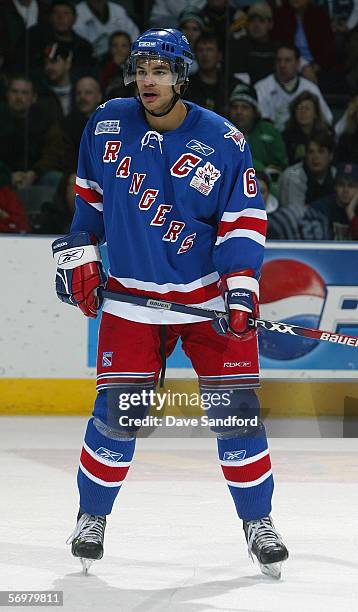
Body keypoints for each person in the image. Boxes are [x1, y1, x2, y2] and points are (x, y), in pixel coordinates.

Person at [52, 28, 289, 578]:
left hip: (204, 298)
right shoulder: (107, 123)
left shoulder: (225, 142)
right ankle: (92, 516)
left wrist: (240, 289)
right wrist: (80, 253)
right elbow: (89, 203)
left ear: (181, 76)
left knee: (236, 416)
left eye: (160, 71)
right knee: (115, 418)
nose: (147, 80)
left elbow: (243, 225)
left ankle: (259, 521)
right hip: (132, 302)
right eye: (141, 69)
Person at [255, 44, 333, 131]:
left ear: (298, 63)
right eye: (279, 60)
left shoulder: (310, 87)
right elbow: (262, 122)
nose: (282, 65)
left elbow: (327, 119)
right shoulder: (262, 87)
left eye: (287, 60)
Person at [228, 82, 287, 179]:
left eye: (245, 107)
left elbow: (282, 165)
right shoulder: (222, 131)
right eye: (234, 107)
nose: (239, 112)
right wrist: (260, 167)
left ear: (255, 111)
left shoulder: (269, 130)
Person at [278, 129, 336, 210]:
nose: (315, 157)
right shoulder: (292, 176)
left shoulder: (336, 175)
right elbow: (294, 215)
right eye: (311, 152)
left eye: (321, 151)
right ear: (305, 155)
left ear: (330, 156)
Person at [228, 2, 278, 84]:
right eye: (252, 21)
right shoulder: (237, 46)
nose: (256, 25)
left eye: (261, 21)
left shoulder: (277, 48)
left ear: (270, 24)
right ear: (247, 24)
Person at [73, 0, 139, 58]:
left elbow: (134, 34)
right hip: (91, 60)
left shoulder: (117, 10)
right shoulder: (78, 12)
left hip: (124, 58)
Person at [311, 163, 358, 239]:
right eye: (341, 185)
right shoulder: (320, 209)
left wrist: (350, 212)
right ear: (335, 187)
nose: (345, 190)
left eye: (351, 186)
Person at [283, 90, 330, 164]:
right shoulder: (286, 137)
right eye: (299, 108)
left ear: (315, 114)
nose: (302, 112)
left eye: (307, 109)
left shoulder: (325, 135)